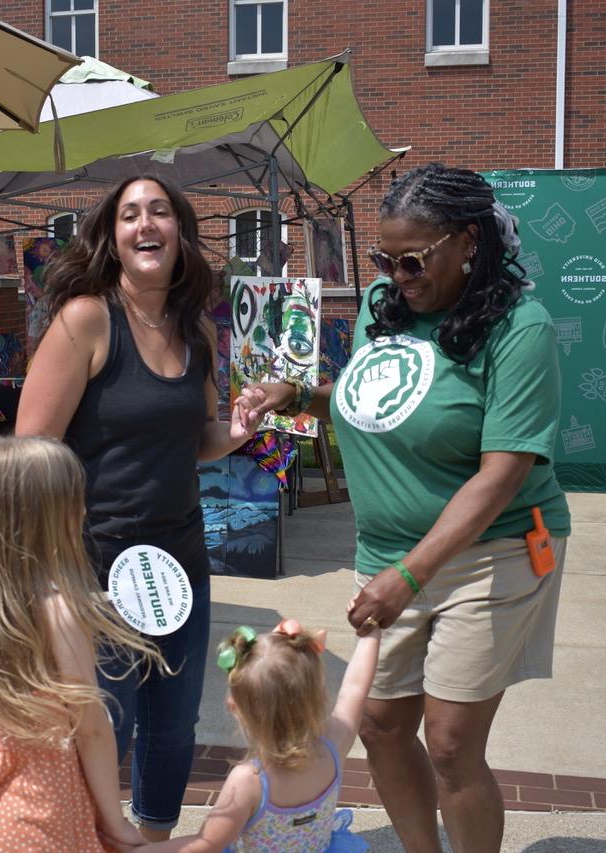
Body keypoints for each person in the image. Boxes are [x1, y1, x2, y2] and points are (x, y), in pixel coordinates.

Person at [242, 164, 571, 853]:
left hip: (490, 553)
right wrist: (301, 396)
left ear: (468, 242)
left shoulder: (520, 326)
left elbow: (501, 474)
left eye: (413, 258)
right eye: (383, 259)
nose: (397, 274)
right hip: (388, 554)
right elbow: (379, 398)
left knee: (451, 745)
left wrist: (409, 577)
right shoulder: (382, 309)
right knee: (382, 724)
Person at [16, 174, 259, 841]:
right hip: (95, 565)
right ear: (114, 238)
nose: (145, 223)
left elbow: (200, 441)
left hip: (180, 561)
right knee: (102, 722)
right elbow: (30, 448)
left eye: (159, 212)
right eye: (130, 214)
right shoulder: (88, 317)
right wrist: (49, 566)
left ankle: (153, 838)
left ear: (179, 232)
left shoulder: (195, 328)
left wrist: (238, 431)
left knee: (173, 723)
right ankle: (94, 835)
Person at [0, 436, 165, 852]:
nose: (83, 510)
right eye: (74, 500)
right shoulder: (60, 609)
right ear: (42, 515)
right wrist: (115, 824)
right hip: (43, 814)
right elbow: (93, 730)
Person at [137, 619, 378, 853]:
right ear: (315, 693)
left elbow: (208, 843)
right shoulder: (334, 742)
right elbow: (356, 688)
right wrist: (373, 629)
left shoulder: (249, 781)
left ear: (234, 706)